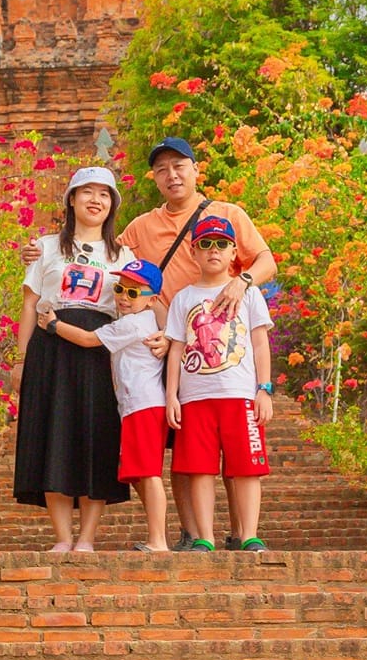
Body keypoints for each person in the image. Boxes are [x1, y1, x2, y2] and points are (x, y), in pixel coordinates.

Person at [118, 137, 277, 548]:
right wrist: (45, 253)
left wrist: (242, 282)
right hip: (171, 348)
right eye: (162, 169)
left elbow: (267, 261)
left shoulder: (228, 214)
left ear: (195, 169)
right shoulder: (142, 226)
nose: (172, 175)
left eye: (179, 166)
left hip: (228, 358)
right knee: (186, 450)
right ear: (154, 178)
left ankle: (243, 533)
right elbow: (112, 261)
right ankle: (194, 533)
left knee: (236, 452)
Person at [8, 166, 130, 553]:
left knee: (97, 436)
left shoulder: (122, 255)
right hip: (50, 347)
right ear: (72, 199)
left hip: (99, 350)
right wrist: (20, 360)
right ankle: (62, 537)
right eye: (87, 192)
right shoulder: (45, 247)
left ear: (112, 205)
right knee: (53, 434)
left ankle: (87, 538)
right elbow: (30, 304)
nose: (96, 200)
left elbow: (136, 305)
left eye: (104, 194)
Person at [38, 259, 171, 552]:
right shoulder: (141, 322)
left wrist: (54, 325)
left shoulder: (133, 324)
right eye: (120, 289)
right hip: (135, 407)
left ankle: (159, 540)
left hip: (144, 406)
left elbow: (88, 339)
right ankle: (157, 536)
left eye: (133, 293)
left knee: (149, 474)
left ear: (152, 300)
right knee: (138, 473)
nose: (123, 297)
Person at [164, 214, 274, 551]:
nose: (214, 250)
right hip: (195, 398)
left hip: (240, 395)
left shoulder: (250, 295)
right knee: (199, 470)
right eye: (206, 244)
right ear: (193, 252)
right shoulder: (183, 298)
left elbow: (260, 343)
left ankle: (249, 534)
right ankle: (205, 537)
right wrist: (171, 395)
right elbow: (176, 349)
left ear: (233, 252)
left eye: (222, 244)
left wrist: (264, 389)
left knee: (246, 468)